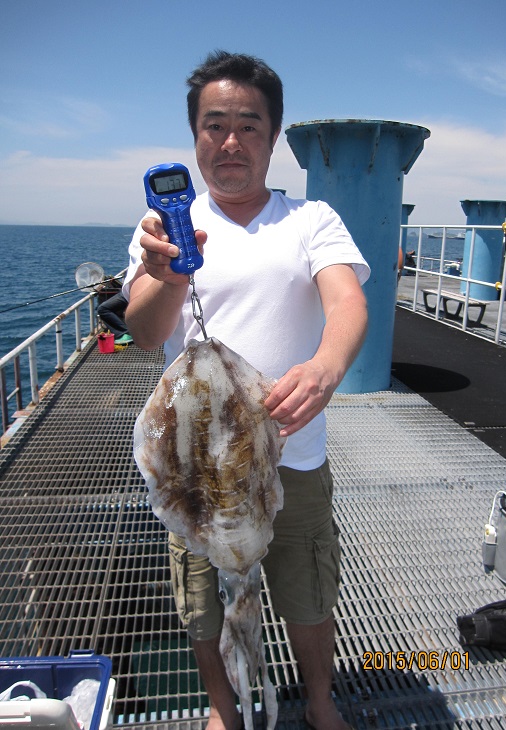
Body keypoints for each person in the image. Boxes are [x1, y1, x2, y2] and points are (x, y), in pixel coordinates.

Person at [123, 51, 369, 730]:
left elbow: (348, 302)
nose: (230, 141)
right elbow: (144, 332)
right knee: (202, 601)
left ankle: (319, 702)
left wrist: (325, 367)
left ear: (273, 135)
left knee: (308, 590)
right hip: (195, 465)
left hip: (293, 456)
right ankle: (222, 707)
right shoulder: (160, 233)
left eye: (249, 125)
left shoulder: (310, 220)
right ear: (195, 135)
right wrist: (169, 274)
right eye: (215, 125)